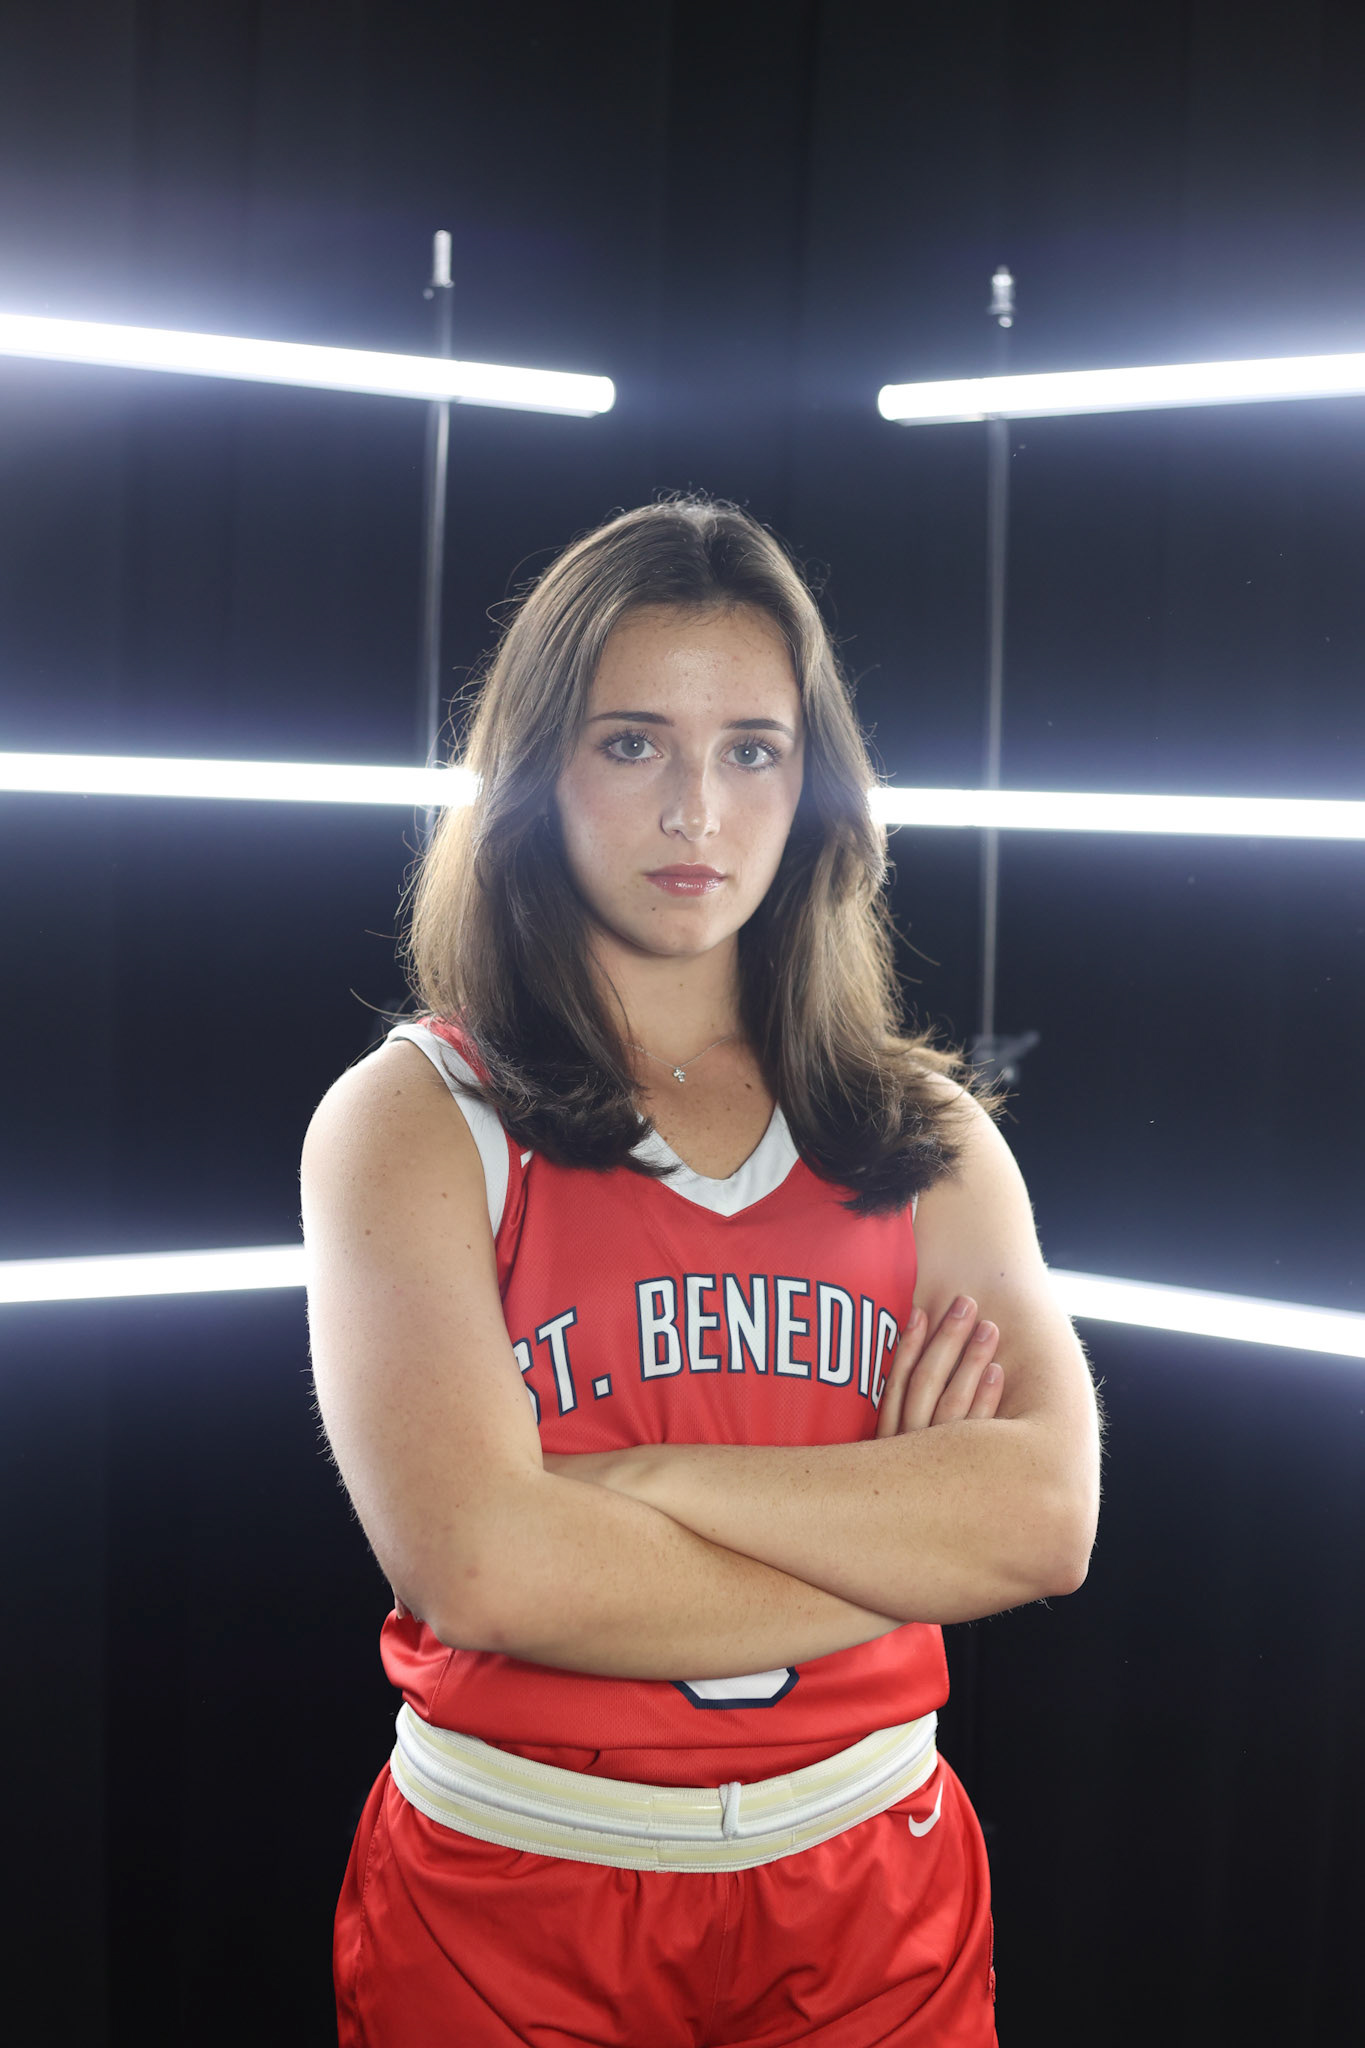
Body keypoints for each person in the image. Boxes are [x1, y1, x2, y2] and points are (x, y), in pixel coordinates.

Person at [300, 492, 1102, 2046]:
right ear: (537, 769)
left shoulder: (920, 1128)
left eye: (752, 749)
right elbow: (482, 1573)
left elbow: (1038, 1523)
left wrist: (622, 1480)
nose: (698, 812)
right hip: (512, 1890)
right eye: (630, 743)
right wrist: (881, 1525)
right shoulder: (412, 1121)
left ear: (814, 785)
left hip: (873, 1886)